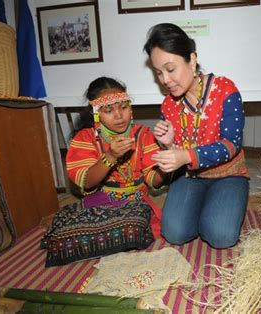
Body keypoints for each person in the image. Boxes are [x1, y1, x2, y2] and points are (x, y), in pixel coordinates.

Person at [143, 23, 249, 249]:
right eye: (158, 72)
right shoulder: (168, 105)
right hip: (190, 177)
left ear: (191, 60)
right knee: (174, 233)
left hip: (229, 175)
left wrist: (185, 156)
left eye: (170, 69)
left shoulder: (225, 89)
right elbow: (176, 157)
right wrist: (169, 144)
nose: (165, 80)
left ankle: (219, 206)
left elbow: (231, 145)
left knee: (221, 236)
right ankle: (208, 207)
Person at [41, 77, 168, 266]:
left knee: (141, 227)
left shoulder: (142, 134)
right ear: (96, 113)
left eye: (123, 107)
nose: (119, 116)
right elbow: (86, 182)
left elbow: (153, 179)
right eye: (109, 110)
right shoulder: (86, 137)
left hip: (136, 201)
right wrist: (110, 156)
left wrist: (167, 165)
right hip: (101, 202)